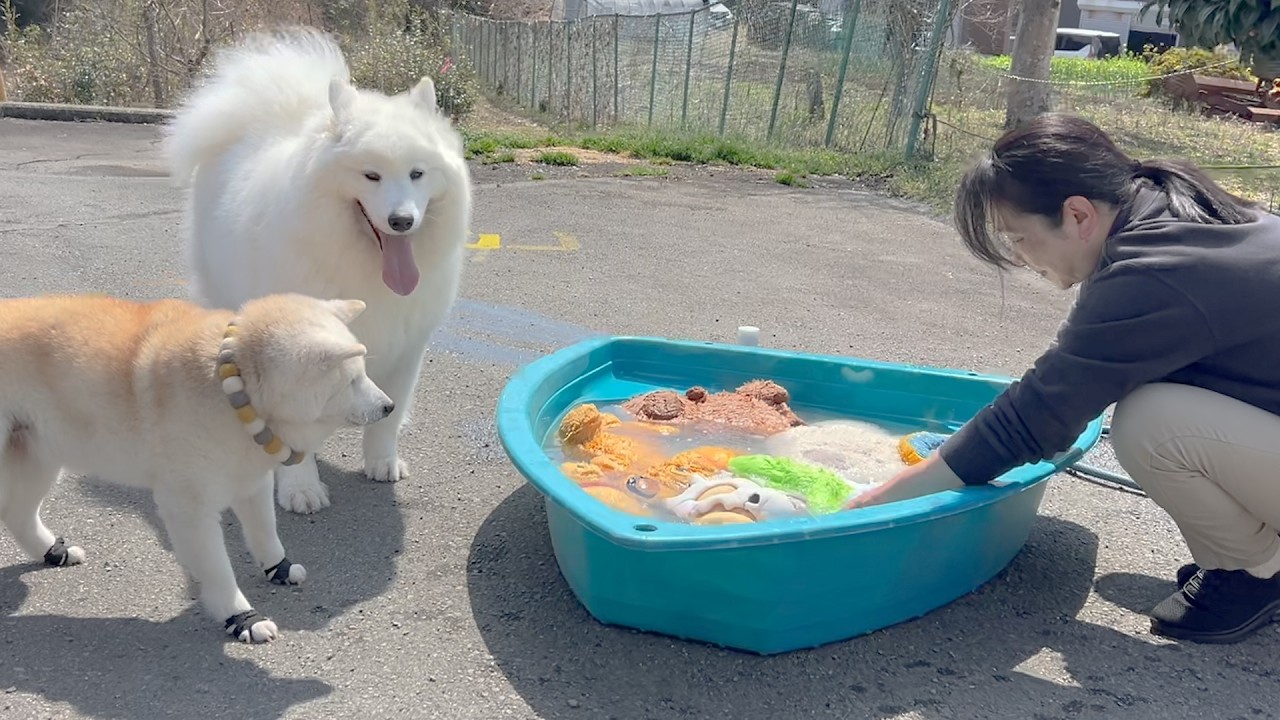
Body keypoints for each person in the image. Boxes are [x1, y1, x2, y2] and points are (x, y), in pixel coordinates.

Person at [848, 112, 1280, 645]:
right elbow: (1069, 385)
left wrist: (879, 501)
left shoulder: (1154, 271)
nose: (1018, 257)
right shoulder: (1168, 210)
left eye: (1018, 238)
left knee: (1152, 424)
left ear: (1077, 214)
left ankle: (1257, 570)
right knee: (1156, 402)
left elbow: (1036, 416)